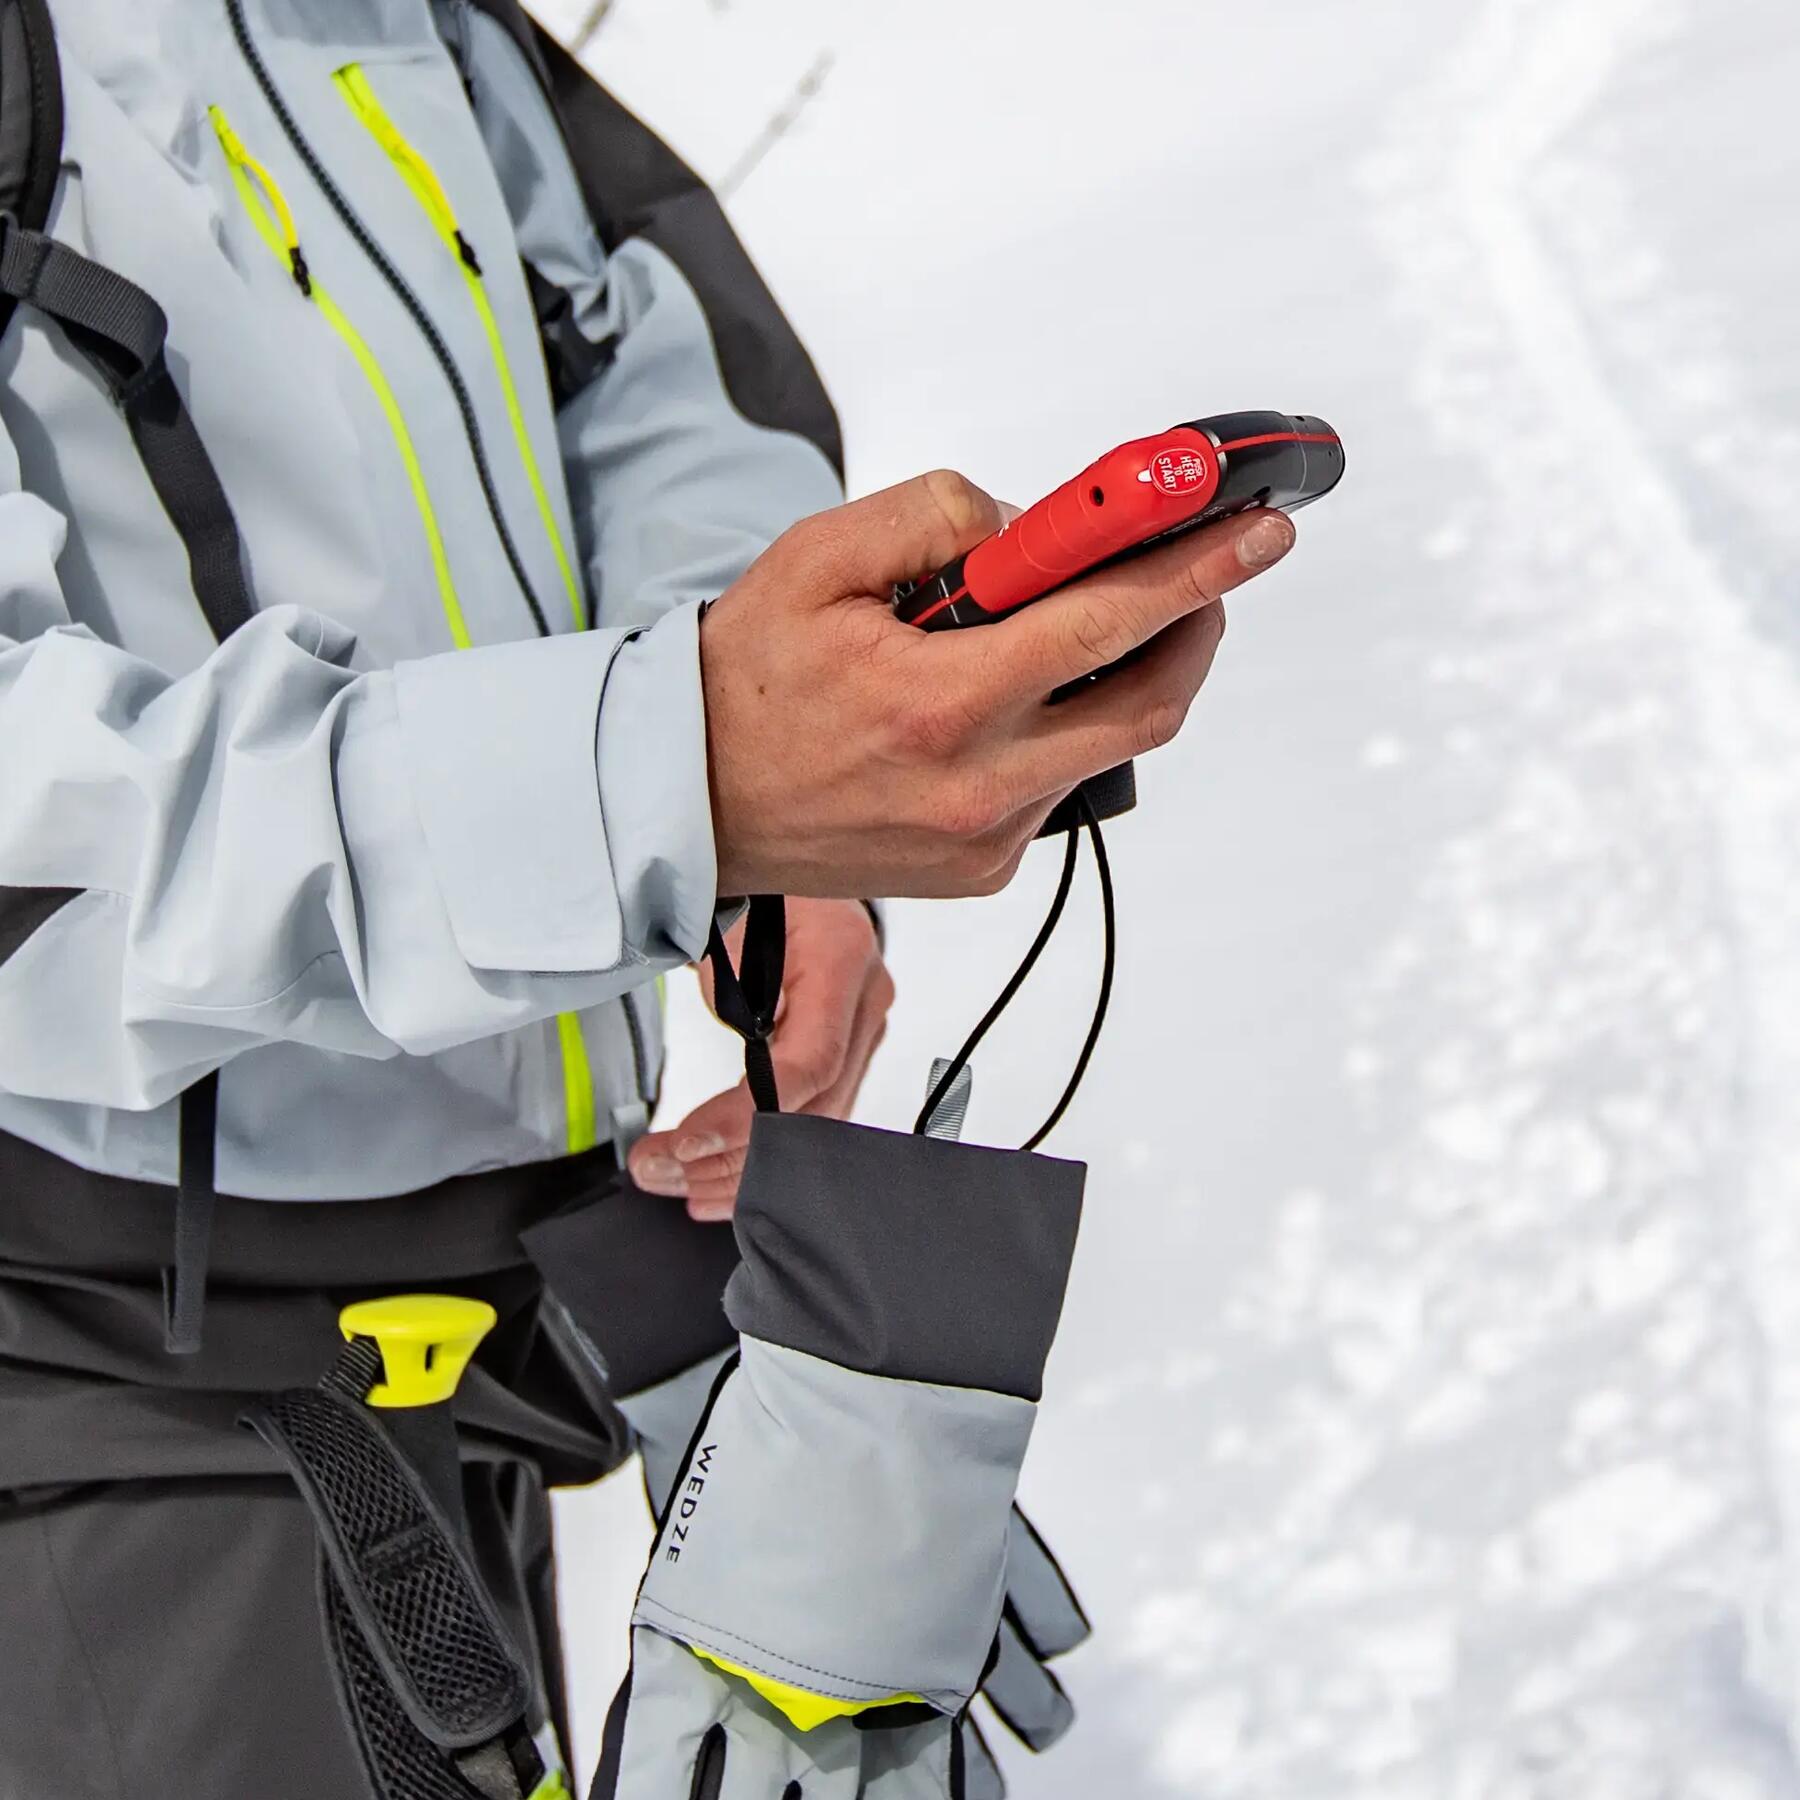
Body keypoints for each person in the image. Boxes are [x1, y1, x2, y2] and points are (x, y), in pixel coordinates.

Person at [0, 2, 1297, 1794]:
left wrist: (760, 831)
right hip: (101, 1362)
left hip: (496, 1315)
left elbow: (654, 382)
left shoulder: (406, 21)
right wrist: (664, 777)